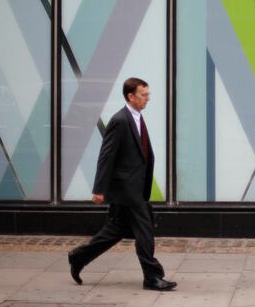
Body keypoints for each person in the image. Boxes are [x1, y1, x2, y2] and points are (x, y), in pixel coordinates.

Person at [68, 77, 177, 291]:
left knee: (116, 230)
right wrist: (99, 189)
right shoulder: (120, 120)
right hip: (127, 188)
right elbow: (106, 156)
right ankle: (152, 277)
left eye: (148, 94)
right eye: (143, 95)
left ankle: (79, 257)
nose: (148, 99)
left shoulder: (136, 116)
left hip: (134, 186)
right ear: (130, 96)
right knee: (145, 230)